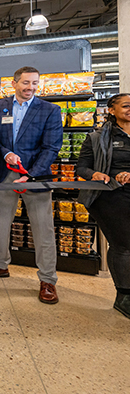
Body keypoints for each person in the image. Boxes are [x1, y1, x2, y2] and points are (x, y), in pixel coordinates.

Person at [0, 66, 63, 304]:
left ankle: (48, 279)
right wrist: (6, 155)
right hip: (4, 174)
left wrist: (31, 174)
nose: (31, 87)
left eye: (35, 83)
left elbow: (51, 148)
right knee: (0, 223)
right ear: (14, 83)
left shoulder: (49, 110)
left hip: (35, 176)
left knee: (43, 228)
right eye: (26, 83)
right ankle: (0, 264)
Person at [76, 93, 130, 318]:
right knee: (124, 245)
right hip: (111, 196)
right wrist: (96, 173)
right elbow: (82, 168)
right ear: (111, 110)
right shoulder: (97, 138)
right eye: (126, 106)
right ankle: (124, 296)